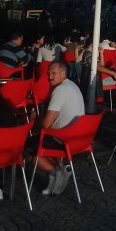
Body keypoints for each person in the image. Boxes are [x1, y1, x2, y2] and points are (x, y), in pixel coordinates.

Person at [36, 58, 86, 196]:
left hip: (64, 140)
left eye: (53, 73)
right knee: (44, 137)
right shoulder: (73, 85)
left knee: (27, 149)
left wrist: (34, 119)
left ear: (63, 74)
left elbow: (46, 124)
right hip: (81, 138)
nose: (50, 77)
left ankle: (54, 173)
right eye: (49, 74)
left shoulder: (60, 90)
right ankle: (58, 170)